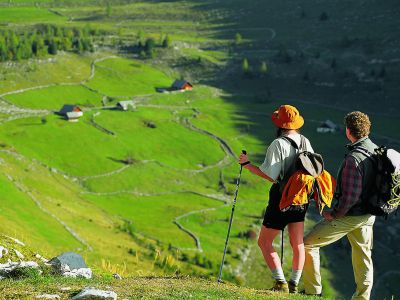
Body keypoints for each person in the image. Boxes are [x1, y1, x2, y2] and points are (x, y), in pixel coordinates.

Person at [239, 104, 314, 293]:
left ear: (279, 124)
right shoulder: (305, 141)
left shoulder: (278, 144)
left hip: (281, 199)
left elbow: (271, 176)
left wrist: (247, 165)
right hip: (301, 199)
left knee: (264, 242)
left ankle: (280, 283)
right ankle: (294, 283)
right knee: (297, 243)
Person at [303, 111, 376, 300]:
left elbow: (350, 197)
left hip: (350, 216)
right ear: (367, 129)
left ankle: (312, 292)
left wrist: (334, 214)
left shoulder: (354, 159)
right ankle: (362, 297)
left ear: (348, 131)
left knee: (308, 244)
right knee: (363, 256)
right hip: (369, 214)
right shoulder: (376, 150)